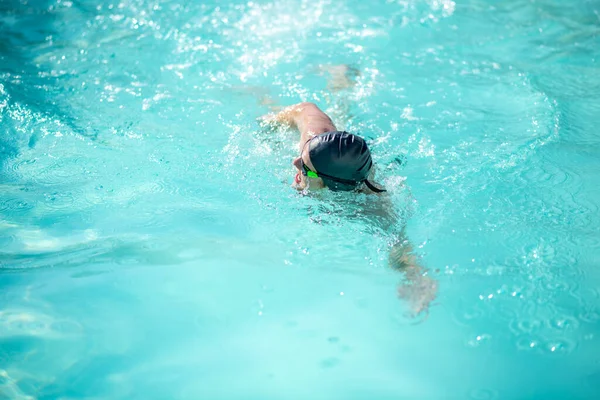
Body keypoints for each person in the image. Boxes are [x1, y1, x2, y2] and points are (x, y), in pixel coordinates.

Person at [259, 68, 438, 317]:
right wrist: (268, 121)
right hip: (339, 154)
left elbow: (400, 249)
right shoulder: (314, 140)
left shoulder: (373, 207)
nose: (295, 164)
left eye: (305, 168)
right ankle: (340, 78)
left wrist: (417, 280)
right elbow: (305, 108)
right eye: (303, 156)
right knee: (337, 111)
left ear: (331, 185)